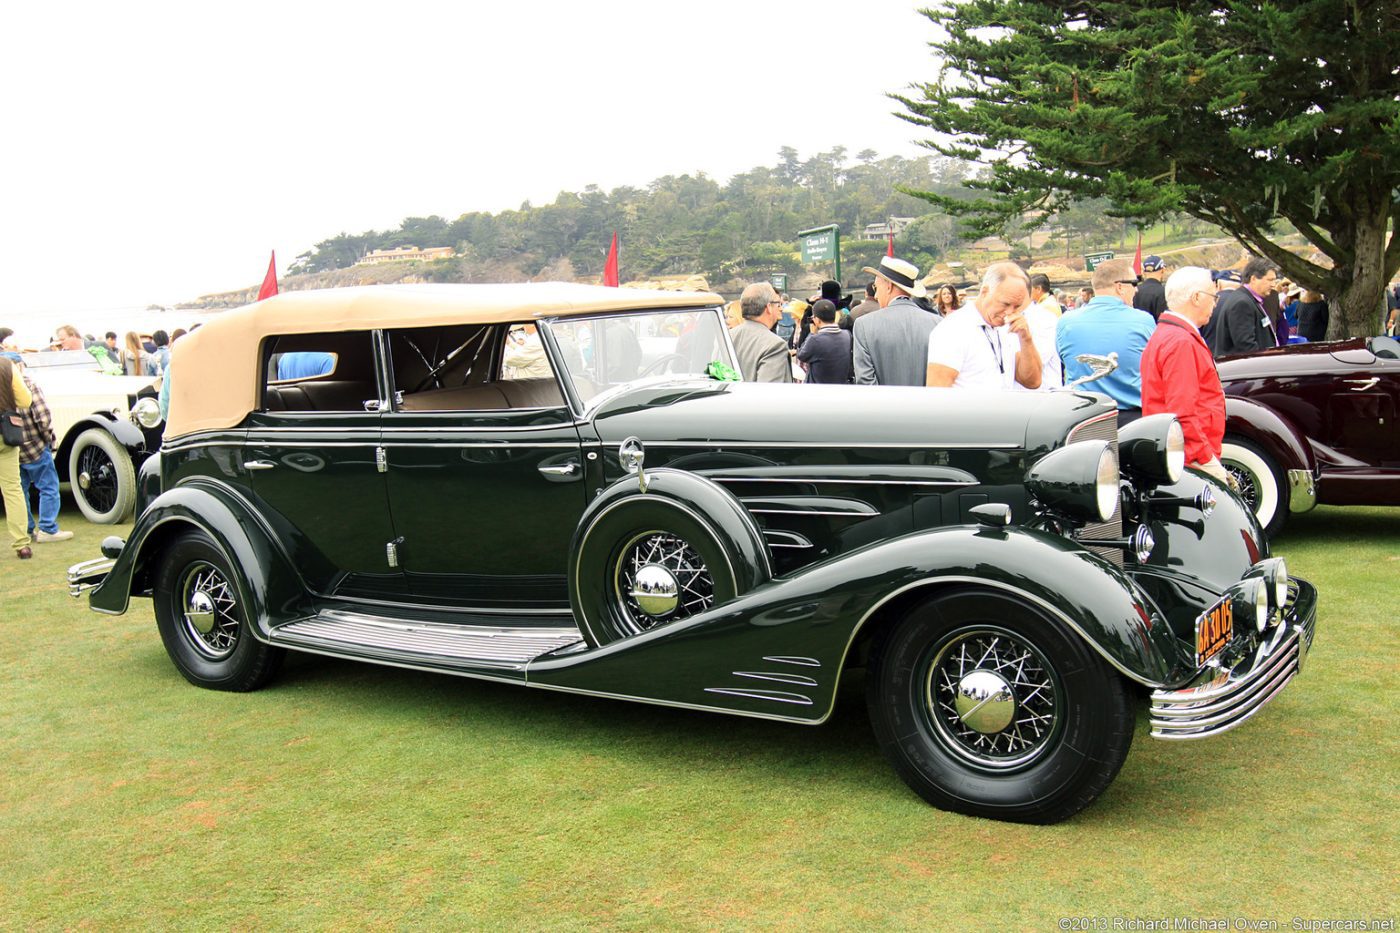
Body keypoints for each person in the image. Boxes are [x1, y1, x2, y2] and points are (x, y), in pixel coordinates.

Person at [1140, 267, 1230, 486]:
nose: (1215, 303)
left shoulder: (1170, 335)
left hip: (1180, 451)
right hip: (1188, 457)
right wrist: (1205, 458)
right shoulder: (1180, 341)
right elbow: (1182, 412)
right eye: (1213, 296)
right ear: (1197, 297)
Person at [1056, 258, 1155, 426]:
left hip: (1081, 417)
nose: (1136, 290)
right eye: (1133, 284)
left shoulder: (1066, 322)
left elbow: (1063, 359)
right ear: (1120, 287)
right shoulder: (1143, 321)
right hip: (1131, 417)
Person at [926, 262, 1042, 390]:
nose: (1010, 312)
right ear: (984, 292)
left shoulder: (1008, 327)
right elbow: (937, 394)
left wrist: (1026, 339)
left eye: (1017, 306)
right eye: (1005, 303)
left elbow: (1033, 381)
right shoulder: (953, 329)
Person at [852, 256, 940, 386]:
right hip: (926, 406)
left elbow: (866, 383)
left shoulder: (863, 325)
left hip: (884, 406)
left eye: (876, 288)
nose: (875, 295)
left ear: (889, 286)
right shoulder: (938, 323)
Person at [16, 372, 73, 543]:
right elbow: (43, 417)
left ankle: (27, 529)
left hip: (13, 448)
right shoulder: (28, 385)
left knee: (19, 491)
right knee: (48, 487)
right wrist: (49, 438)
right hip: (35, 445)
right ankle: (48, 528)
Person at [1208, 257, 1279, 357]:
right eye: (1270, 280)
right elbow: (1246, 346)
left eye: (1274, 280)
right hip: (1249, 368)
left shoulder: (1248, 299)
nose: (1273, 285)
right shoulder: (1242, 303)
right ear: (1253, 279)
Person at [1, 357, 35, 559]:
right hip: (5, 433)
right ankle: (22, 544)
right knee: (13, 489)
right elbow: (25, 400)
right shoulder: (6, 365)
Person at [730, 282, 794, 383]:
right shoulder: (775, 345)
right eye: (778, 304)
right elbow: (768, 393)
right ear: (768, 307)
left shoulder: (726, 338)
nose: (781, 308)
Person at [796, 299, 853, 384]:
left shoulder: (815, 340)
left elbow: (801, 355)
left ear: (818, 320)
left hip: (820, 391)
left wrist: (812, 333)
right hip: (841, 388)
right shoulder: (847, 335)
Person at [1132, 256, 1168, 321]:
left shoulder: (1134, 290)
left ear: (1143, 272)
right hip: (1155, 330)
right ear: (1163, 270)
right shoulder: (1164, 292)